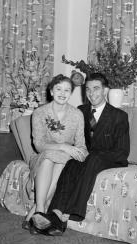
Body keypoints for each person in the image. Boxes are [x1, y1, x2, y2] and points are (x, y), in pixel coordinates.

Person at [33, 72, 130, 236]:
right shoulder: (81, 111)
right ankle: (55, 212)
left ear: (105, 91)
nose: (92, 93)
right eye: (88, 89)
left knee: (91, 158)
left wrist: (91, 154)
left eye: (96, 89)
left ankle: (67, 214)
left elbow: (122, 151)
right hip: (88, 156)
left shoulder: (119, 116)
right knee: (72, 162)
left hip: (112, 157)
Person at [24, 74, 88, 234]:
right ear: (51, 91)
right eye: (58, 89)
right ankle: (40, 209)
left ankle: (35, 216)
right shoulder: (39, 112)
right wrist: (63, 146)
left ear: (71, 93)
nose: (62, 93)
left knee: (63, 160)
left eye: (67, 90)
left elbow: (81, 145)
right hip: (42, 156)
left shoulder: (77, 114)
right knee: (48, 158)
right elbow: (39, 146)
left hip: (64, 158)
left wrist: (77, 153)